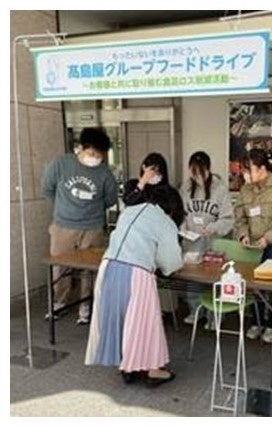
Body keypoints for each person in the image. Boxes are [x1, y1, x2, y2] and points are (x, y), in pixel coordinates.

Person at [85, 184, 183, 387]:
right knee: (145, 322)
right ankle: (153, 370)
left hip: (108, 268)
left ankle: (127, 367)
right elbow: (171, 263)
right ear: (173, 207)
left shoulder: (130, 211)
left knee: (120, 319)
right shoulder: (165, 222)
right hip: (136, 273)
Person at [42, 128, 119, 324]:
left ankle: (86, 307)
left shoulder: (104, 173)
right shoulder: (62, 163)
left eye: (99, 155)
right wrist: (63, 208)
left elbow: (110, 199)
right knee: (60, 266)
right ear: (82, 148)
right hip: (63, 225)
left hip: (92, 227)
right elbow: (47, 188)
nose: (95, 158)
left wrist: (92, 209)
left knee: (90, 269)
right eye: (92, 153)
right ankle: (59, 302)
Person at [234, 149, 272, 344]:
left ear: (262, 169)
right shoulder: (245, 189)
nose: (245, 174)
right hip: (253, 247)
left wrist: (268, 238)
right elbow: (240, 217)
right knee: (254, 285)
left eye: (248, 170)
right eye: (244, 170)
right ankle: (257, 322)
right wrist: (243, 235)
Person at [180, 152, 234, 327]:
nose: (197, 176)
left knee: (214, 278)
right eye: (193, 172)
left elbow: (228, 219)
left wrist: (213, 228)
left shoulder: (220, 189)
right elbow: (180, 213)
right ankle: (195, 310)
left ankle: (215, 315)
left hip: (212, 242)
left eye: (200, 172)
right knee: (192, 278)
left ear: (208, 170)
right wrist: (182, 226)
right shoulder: (185, 188)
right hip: (191, 242)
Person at [121, 153, 185, 225]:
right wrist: (142, 182)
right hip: (137, 228)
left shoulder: (169, 192)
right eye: (153, 170)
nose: (155, 174)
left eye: (159, 172)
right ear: (144, 167)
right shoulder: (132, 185)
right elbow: (128, 201)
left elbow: (178, 215)